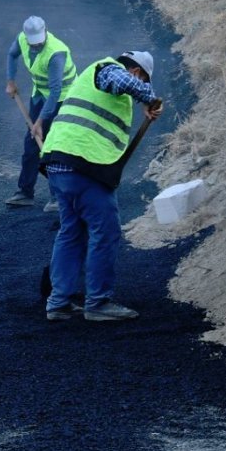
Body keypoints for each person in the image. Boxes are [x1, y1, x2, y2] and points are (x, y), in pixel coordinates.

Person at [40, 50, 163, 322]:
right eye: (142, 78)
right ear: (136, 72)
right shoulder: (108, 69)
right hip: (82, 166)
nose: (139, 84)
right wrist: (150, 97)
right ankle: (97, 302)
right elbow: (124, 83)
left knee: (71, 232)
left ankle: (58, 302)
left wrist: (144, 101)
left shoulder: (97, 82)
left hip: (60, 165)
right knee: (105, 231)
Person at [5, 15, 77, 210]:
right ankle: (25, 192)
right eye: (33, 43)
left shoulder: (56, 53)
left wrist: (39, 122)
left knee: (52, 146)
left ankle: (57, 197)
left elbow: (55, 92)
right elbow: (12, 54)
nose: (36, 46)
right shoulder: (22, 39)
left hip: (63, 99)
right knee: (31, 145)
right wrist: (10, 81)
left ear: (45, 32)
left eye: (39, 42)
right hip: (40, 96)